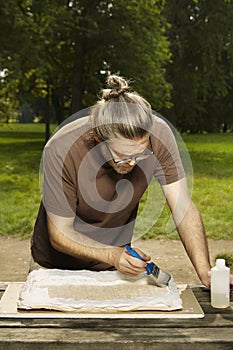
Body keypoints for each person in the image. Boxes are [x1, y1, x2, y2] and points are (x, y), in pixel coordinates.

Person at [30, 74, 213, 287]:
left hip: (113, 266)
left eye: (141, 154)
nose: (132, 164)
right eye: (122, 156)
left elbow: (183, 206)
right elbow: (60, 233)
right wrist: (113, 255)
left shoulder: (159, 135)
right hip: (54, 266)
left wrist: (205, 270)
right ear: (98, 138)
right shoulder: (61, 148)